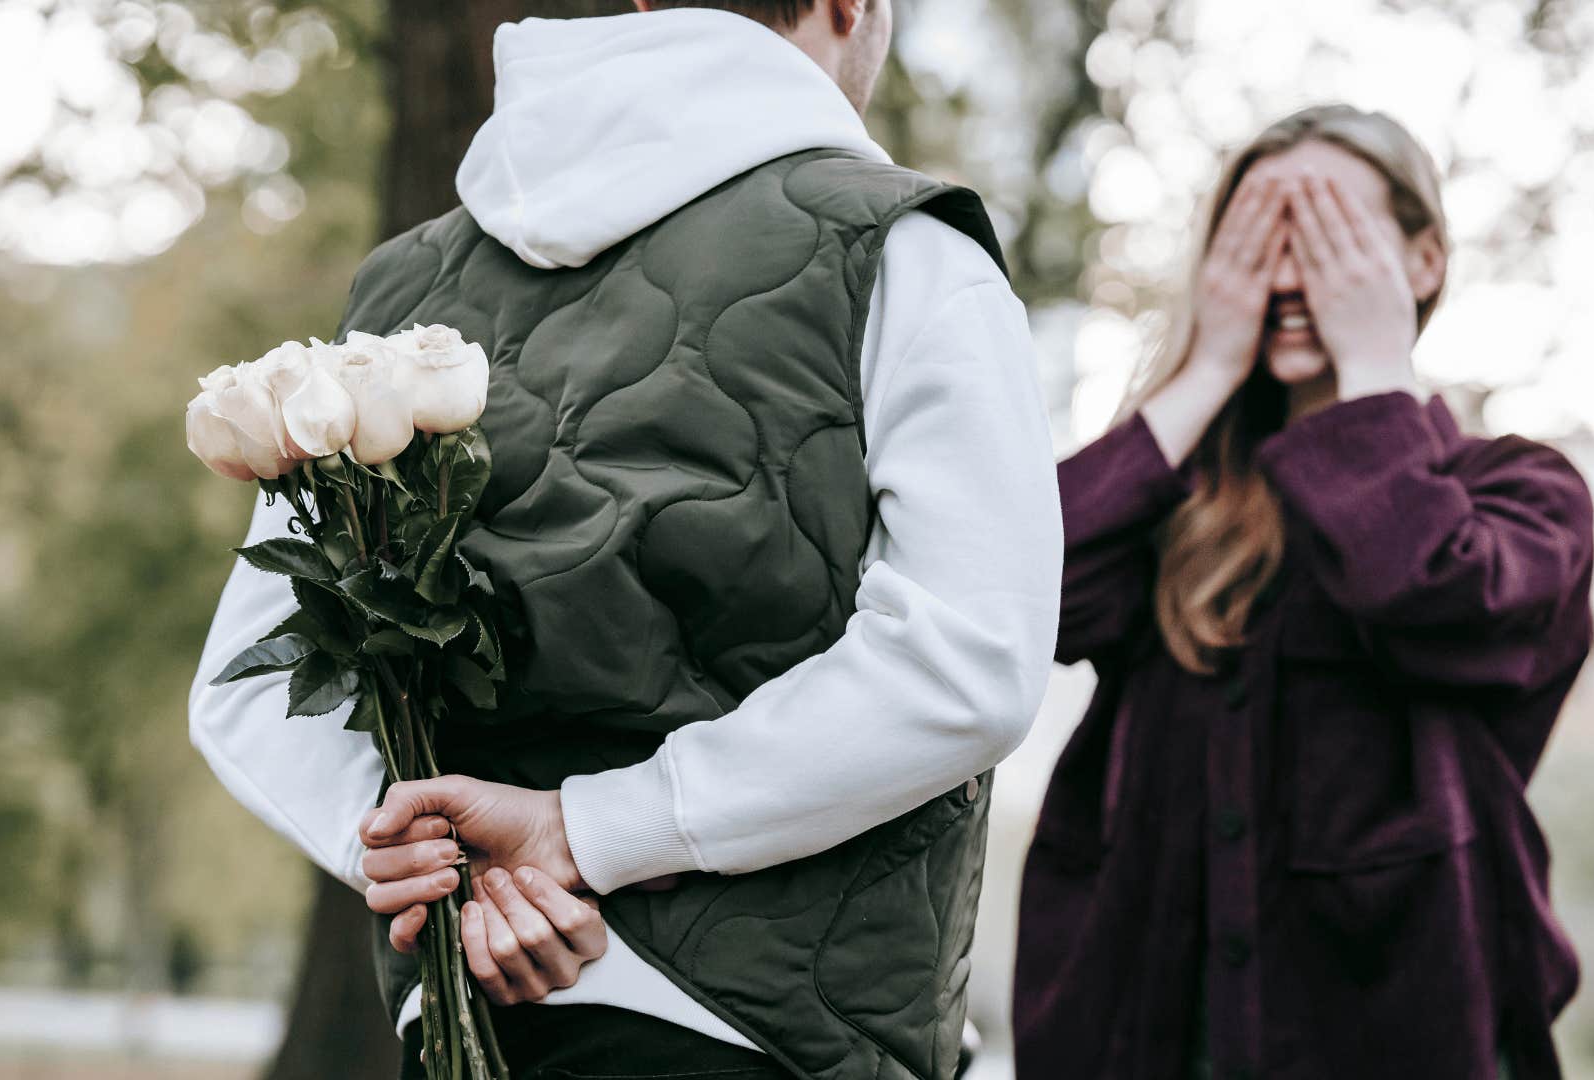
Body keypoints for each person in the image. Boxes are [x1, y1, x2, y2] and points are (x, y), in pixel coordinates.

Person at [187, 1, 1062, 1078]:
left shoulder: (400, 295)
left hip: (479, 1008)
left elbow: (252, 676)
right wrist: (586, 832)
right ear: (852, 6)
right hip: (768, 1033)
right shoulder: (906, 251)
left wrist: (438, 866)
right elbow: (968, 659)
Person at [1013, 104, 1593, 1080]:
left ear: (1422, 261)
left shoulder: (1523, 492)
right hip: (1143, 1031)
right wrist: (1204, 370)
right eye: (1258, 242)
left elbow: (1436, 598)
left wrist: (1373, 374)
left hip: (1403, 1036)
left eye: (1328, 238)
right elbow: (1018, 595)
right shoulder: (1173, 493)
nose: (1288, 276)